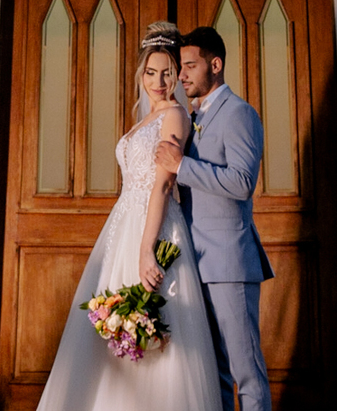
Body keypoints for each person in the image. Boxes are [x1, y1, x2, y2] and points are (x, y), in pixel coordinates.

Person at [36, 21, 221, 411]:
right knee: (110, 337)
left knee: (152, 340)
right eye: (151, 72)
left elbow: (163, 185)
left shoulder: (174, 116)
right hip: (121, 229)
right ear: (141, 74)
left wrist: (146, 250)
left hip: (153, 230)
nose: (159, 81)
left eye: (168, 72)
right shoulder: (145, 118)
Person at [155, 26, 273, 411]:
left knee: (246, 371)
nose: (182, 75)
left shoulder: (239, 113)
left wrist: (181, 164)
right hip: (193, 261)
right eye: (181, 67)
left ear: (216, 65)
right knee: (215, 373)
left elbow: (242, 182)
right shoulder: (194, 115)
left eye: (190, 66)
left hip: (229, 261)